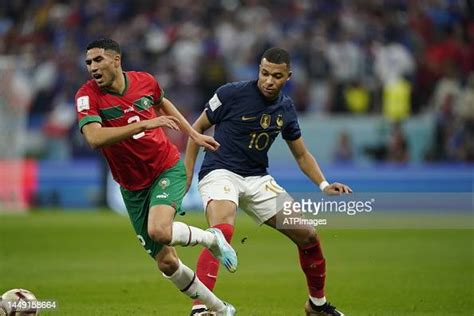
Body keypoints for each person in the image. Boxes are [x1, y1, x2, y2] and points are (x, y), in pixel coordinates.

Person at [75, 38, 237, 315]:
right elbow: (94, 138)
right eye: (89, 62)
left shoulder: (145, 81)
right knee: (167, 263)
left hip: (165, 168)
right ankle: (219, 309)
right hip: (131, 186)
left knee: (159, 230)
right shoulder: (86, 96)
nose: (92, 67)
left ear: (116, 60)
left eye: (98, 60)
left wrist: (193, 134)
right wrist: (147, 122)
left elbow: (163, 103)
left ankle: (212, 239)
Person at [185, 47, 352, 316]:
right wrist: (188, 173)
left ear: (288, 76)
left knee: (307, 234)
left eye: (276, 76)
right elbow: (197, 129)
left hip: (258, 179)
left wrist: (323, 184)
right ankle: (201, 308)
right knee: (222, 231)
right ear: (258, 71)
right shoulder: (231, 93)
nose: (269, 80)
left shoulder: (285, 107)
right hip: (220, 171)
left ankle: (317, 306)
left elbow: (301, 154)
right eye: (264, 73)